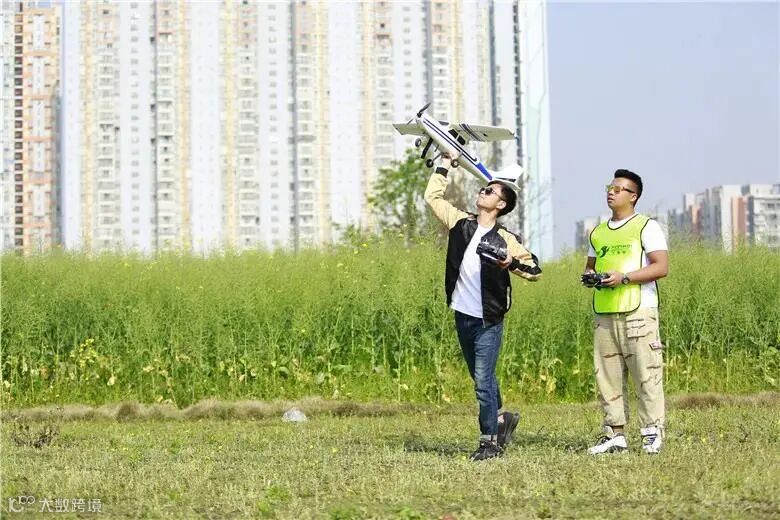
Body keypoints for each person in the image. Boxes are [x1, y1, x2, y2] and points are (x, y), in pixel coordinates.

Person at [424, 154, 542, 461]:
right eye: (483, 189)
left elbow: (534, 270)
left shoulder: (505, 238)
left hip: (489, 320)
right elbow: (432, 197)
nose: (483, 191)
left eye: (490, 191)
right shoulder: (460, 223)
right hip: (462, 316)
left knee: (483, 383)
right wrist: (445, 164)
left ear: (501, 204)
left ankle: (490, 443)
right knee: (482, 379)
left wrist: (510, 262)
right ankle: (502, 419)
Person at [583, 169, 669, 455]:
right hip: (605, 314)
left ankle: (651, 433)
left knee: (647, 374)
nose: (612, 192)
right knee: (606, 377)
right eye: (610, 187)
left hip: (639, 312)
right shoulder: (597, 232)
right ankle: (614, 435)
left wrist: (625, 278)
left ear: (634, 196)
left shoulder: (646, 226)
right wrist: (590, 277)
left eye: (619, 189)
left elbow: (661, 267)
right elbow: (590, 266)